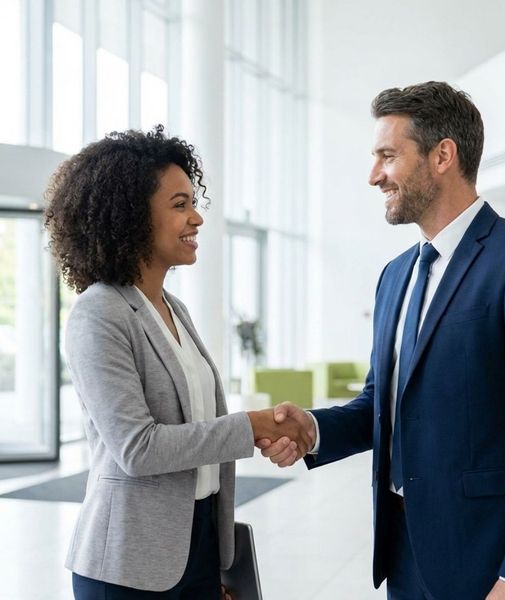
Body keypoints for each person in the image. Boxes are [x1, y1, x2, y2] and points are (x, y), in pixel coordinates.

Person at [259, 82, 505, 599]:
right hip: (405, 556)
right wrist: (314, 428)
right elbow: (384, 403)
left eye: (388, 156)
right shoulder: (395, 276)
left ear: (442, 155)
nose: (374, 176)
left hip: (493, 563)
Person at [44, 126, 313, 599]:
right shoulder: (99, 312)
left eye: (194, 202)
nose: (197, 218)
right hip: (128, 567)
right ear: (132, 217)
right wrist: (250, 427)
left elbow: (196, 428)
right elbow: (137, 448)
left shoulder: (171, 307)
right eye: (179, 205)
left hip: (199, 547)